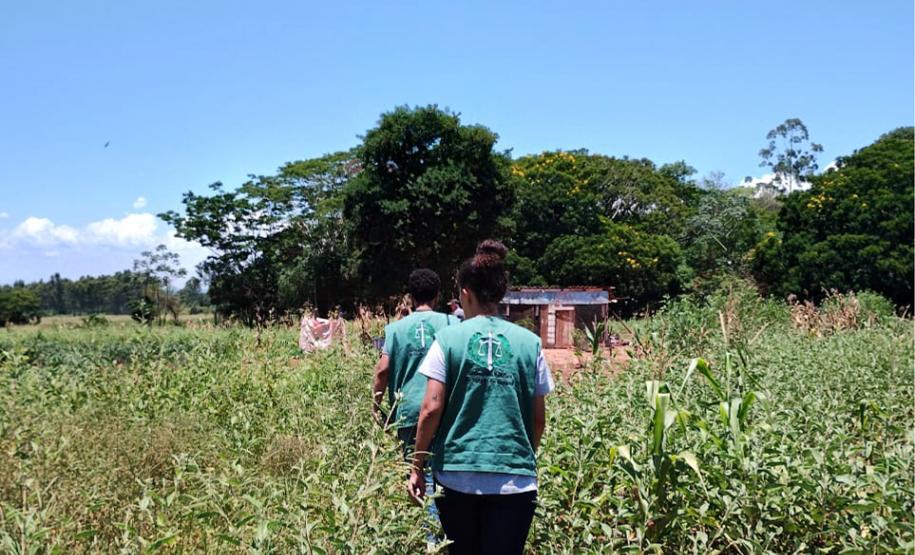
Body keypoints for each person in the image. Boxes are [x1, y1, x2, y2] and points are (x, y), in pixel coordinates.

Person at [409, 240, 554, 554]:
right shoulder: (531, 343)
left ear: (464, 293)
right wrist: (522, 456)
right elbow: (538, 418)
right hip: (515, 478)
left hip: (457, 476)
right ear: (500, 293)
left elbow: (431, 408)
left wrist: (417, 466)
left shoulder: (447, 339)